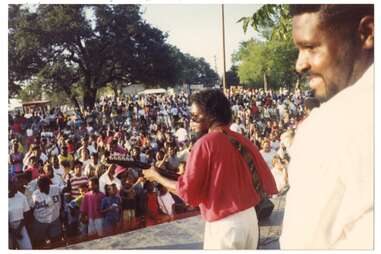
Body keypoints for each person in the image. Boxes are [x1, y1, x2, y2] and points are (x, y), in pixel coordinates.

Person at [280, 5, 374, 249]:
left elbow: (300, 245)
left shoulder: (327, 128)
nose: (299, 64)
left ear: (368, 32)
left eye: (310, 47)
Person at [143, 89, 277, 249]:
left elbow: (188, 194)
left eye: (195, 116)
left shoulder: (205, 143)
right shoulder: (240, 139)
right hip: (250, 221)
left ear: (210, 115)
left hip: (225, 226)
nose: (190, 121)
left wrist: (156, 177)